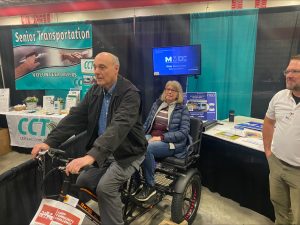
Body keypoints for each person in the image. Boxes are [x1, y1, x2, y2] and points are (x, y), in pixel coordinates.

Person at [31, 52, 147, 225]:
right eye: (94, 67)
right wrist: (49, 141)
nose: (96, 71)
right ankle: (112, 205)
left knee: (105, 188)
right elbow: (75, 118)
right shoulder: (95, 91)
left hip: (128, 152)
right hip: (105, 153)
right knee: (83, 180)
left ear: (116, 69)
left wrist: (91, 156)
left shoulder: (130, 94)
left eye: (102, 67)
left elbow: (118, 126)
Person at [134, 80, 190, 202]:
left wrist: (161, 138)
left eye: (173, 90)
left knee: (147, 149)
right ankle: (136, 180)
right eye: (167, 89)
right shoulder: (157, 104)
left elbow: (183, 133)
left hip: (172, 144)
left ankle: (150, 186)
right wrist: (138, 136)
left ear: (178, 94)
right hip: (152, 137)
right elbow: (147, 124)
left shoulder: (182, 109)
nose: (169, 91)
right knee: (134, 145)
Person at [263, 55, 300, 225]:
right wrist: (269, 152)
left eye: (295, 71)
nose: (289, 75)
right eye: (288, 71)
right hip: (277, 164)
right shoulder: (280, 97)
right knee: (280, 211)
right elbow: (269, 123)